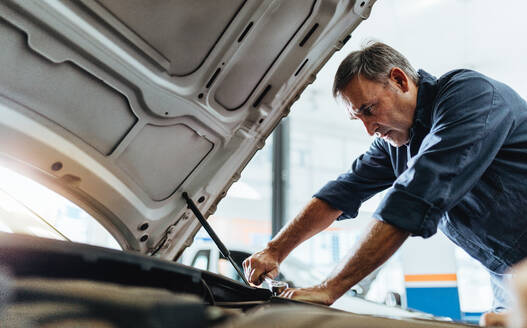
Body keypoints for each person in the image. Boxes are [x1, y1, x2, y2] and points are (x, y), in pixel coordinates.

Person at [242, 41, 527, 319]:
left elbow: (417, 192)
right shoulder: (397, 144)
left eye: (369, 109)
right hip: (509, 278)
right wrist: (274, 250)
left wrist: (329, 288)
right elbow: (342, 192)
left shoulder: (470, 96)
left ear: (399, 80)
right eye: (359, 118)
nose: (369, 130)